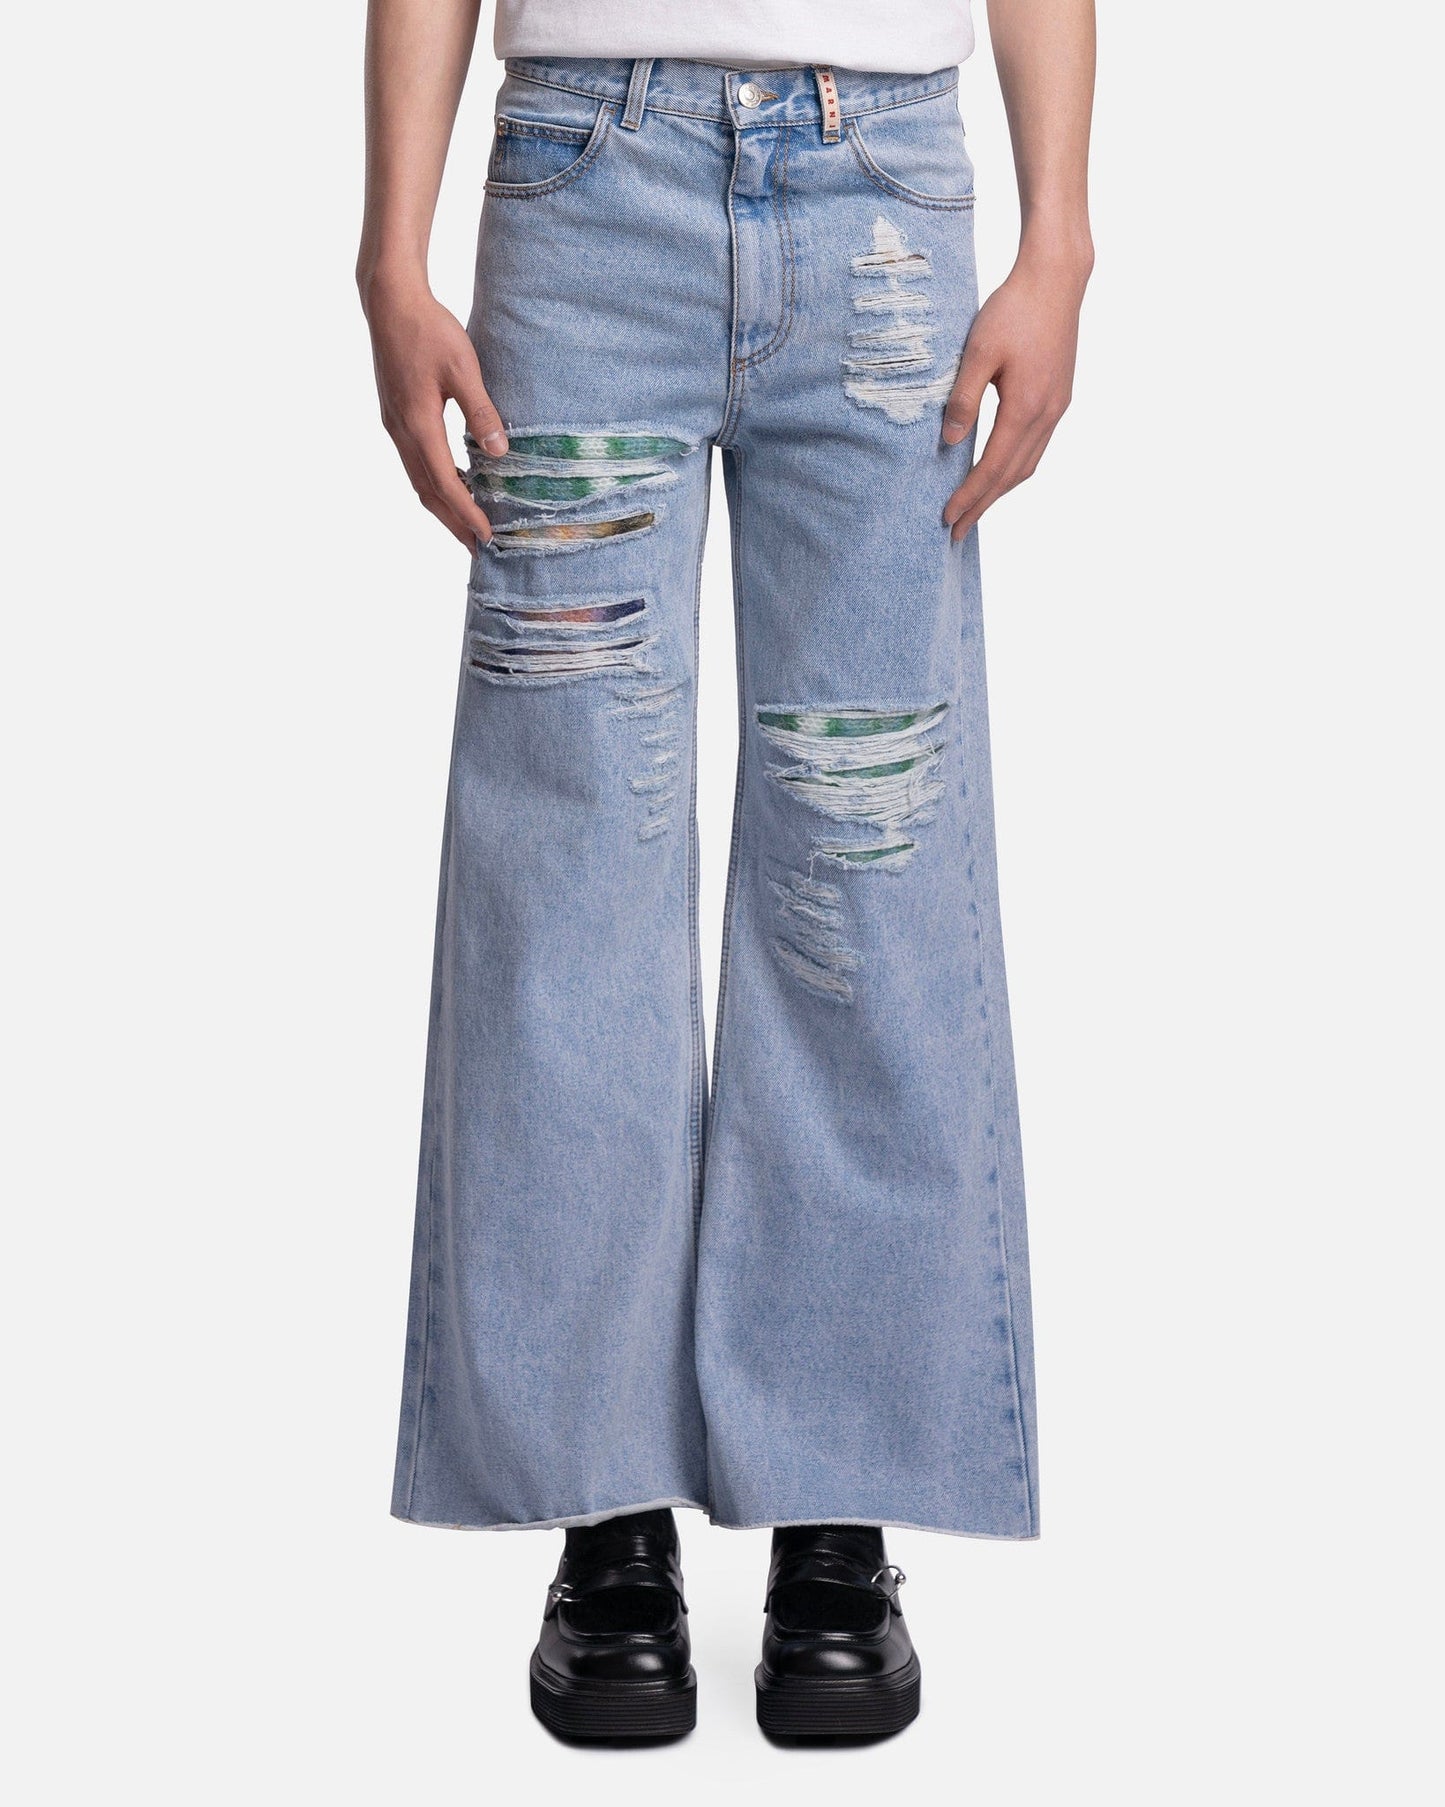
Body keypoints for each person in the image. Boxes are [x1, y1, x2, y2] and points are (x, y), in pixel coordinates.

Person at [358, 0, 1094, 1743]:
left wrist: (1059, 233)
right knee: (567, 886)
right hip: (582, 186)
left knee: (866, 865)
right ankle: (604, 1511)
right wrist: (391, 247)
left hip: (883, 194)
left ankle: (837, 1507)